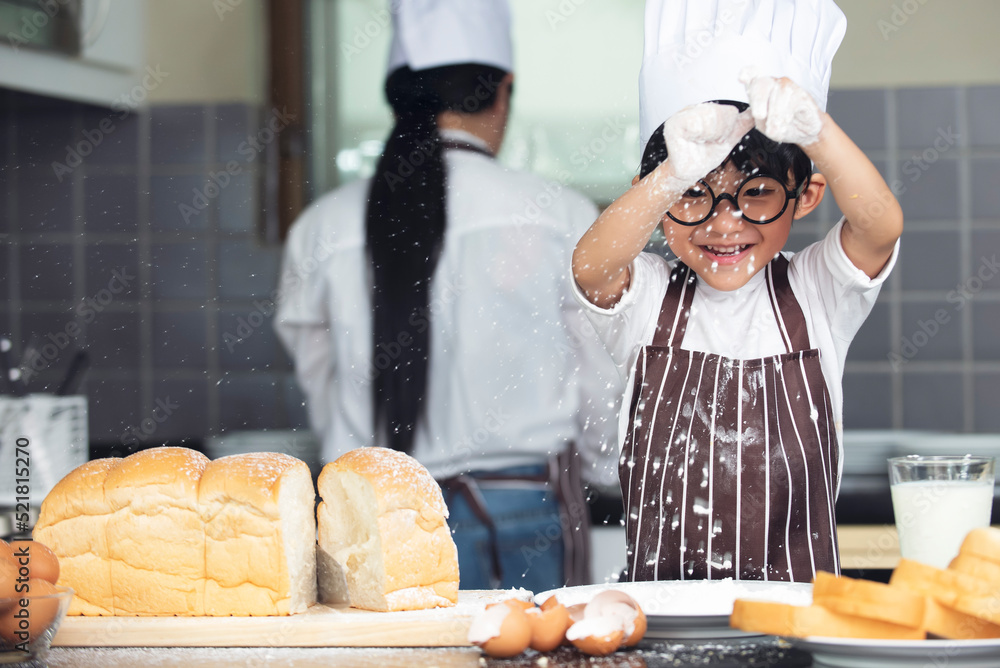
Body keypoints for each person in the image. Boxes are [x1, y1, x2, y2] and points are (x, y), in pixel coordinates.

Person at [275, 0, 621, 592]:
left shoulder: (321, 228)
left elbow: (323, 386)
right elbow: (597, 376)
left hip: (381, 520)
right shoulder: (561, 216)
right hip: (525, 509)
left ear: (401, 99)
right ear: (503, 91)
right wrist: (604, 468)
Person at [571, 0, 903, 582]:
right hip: (660, 617)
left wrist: (817, 132)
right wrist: (671, 172)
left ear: (806, 195)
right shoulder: (649, 297)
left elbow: (880, 224)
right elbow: (592, 267)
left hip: (798, 618)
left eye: (756, 193)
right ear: (654, 202)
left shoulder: (816, 289)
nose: (725, 224)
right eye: (694, 195)